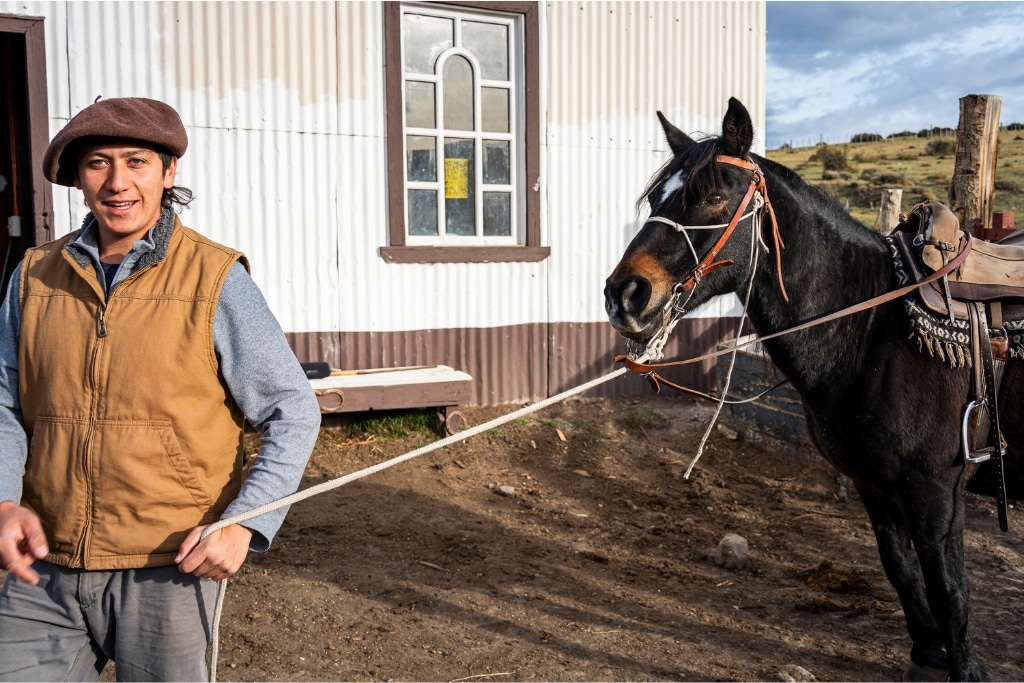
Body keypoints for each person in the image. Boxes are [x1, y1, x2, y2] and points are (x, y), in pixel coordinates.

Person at [0, 97, 321, 681]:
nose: (118, 182)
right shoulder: (33, 277)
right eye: (98, 163)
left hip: (171, 565)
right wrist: (2, 502)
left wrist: (246, 522)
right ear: (77, 176)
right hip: (46, 565)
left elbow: (291, 408)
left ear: (169, 172)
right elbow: (2, 403)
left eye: (137, 162)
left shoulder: (216, 277)